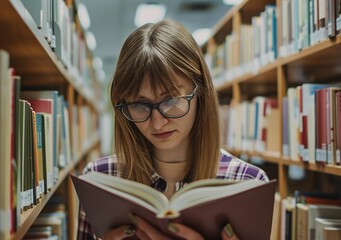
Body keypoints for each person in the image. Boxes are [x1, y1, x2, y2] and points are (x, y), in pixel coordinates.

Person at [77, 19, 269, 240]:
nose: (157, 123)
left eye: (170, 101)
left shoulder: (247, 183)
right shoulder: (99, 180)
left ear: (200, 93)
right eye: (139, 105)